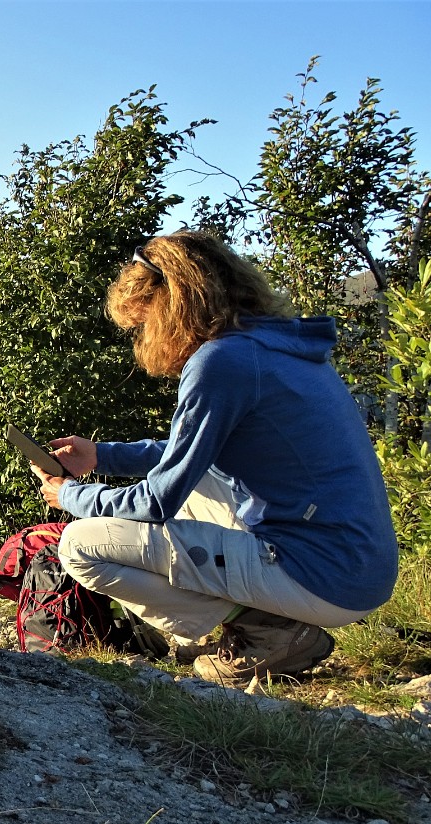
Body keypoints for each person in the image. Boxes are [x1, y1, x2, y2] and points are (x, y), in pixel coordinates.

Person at [30, 230, 398, 684]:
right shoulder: (274, 347)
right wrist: (102, 455)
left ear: (171, 307)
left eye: (144, 322)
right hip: (357, 562)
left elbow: (156, 501)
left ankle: (262, 633)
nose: (144, 336)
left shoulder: (220, 362)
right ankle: (258, 623)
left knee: (80, 546)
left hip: (320, 575)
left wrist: (71, 496)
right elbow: (191, 455)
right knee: (191, 485)